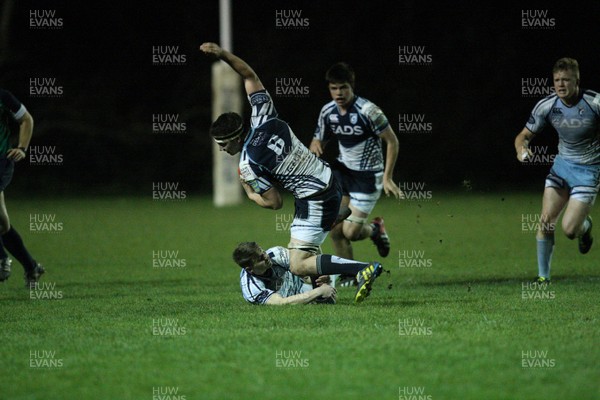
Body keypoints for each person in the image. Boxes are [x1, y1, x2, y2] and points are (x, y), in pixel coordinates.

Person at [200, 42, 383, 303]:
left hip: (313, 197)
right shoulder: (264, 115)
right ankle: (331, 229)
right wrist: (222, 54)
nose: (221, 150)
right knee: (308, 249)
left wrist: (250, 194)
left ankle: (360, 269)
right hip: (330, 180)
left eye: (222, 145)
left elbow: (275, 202)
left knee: (298, 263)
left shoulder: (247, 164)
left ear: (233, 139)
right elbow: (250, 75)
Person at [309, 62, 403, 285]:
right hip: (343, 174)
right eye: (333, 88)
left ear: (351, 86)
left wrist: (388, 177)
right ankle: (348, 275)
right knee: (334, 229)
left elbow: (392, 141)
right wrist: (315, 143)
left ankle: (375, 229)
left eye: (343, 88)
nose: (338, 93)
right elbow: (318, 138)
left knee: (350, 232)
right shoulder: (327, 111)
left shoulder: (369, 111)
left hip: (368, 177)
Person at [514, 58, 598, 283]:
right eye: (557, 80)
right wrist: (522, 149)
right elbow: (523, 135)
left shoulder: (595, 102)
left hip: (588, 172)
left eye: (566, 80)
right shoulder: (547, 105)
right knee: (545, 221)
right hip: (561, 168)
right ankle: (543, 277)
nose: (560, 85)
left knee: (570, 230)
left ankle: (585, 227)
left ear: (577, 81)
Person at [0, 89, 45, 288]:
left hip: (1, 162)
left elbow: (26, 119)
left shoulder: (3, 97)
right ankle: (31, 266)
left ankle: (1, 259)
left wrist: (22, 148)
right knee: (2, 225)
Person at [233, 242, 336, 305]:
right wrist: (319, 291)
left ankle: (346, 276)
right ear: (250, 269)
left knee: (307, 247)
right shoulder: (251, 287)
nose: (266, 257)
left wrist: (321, 276)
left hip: (301, 284)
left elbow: (305, 270)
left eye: (262, 251)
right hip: (291, 296)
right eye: (260, 259)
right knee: (323, 294)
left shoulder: (277, 254)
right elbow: (280, 303)